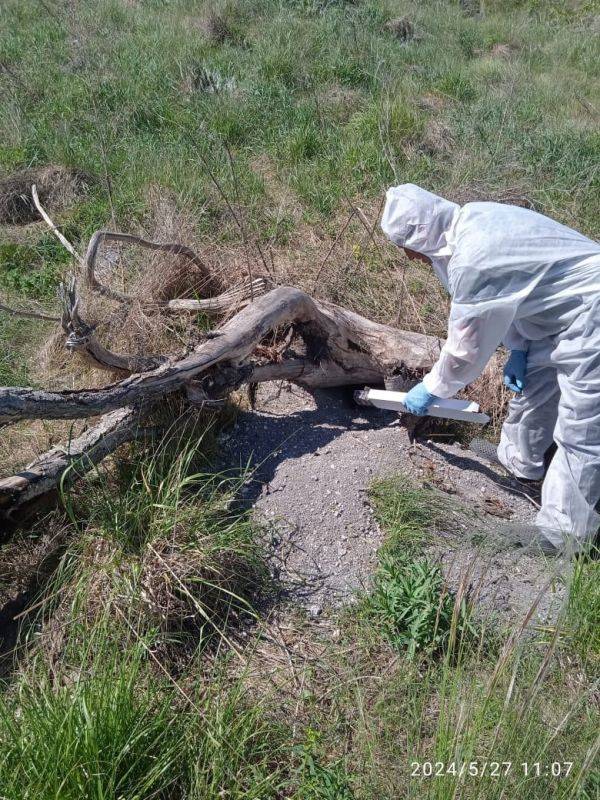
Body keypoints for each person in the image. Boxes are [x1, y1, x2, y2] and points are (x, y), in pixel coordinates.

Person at [380, 184, 600, 554]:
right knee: (533, 385)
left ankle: (565, 535)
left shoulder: (472, 258)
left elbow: (465, 349)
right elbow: (514, 292)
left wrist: (432, 387)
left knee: (583, 425)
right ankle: (520, 462)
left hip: (591, 313)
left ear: (419, 238)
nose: (408, 258)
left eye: (406, 249)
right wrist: (518, 348)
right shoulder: (473, 217)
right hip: (558, 314)